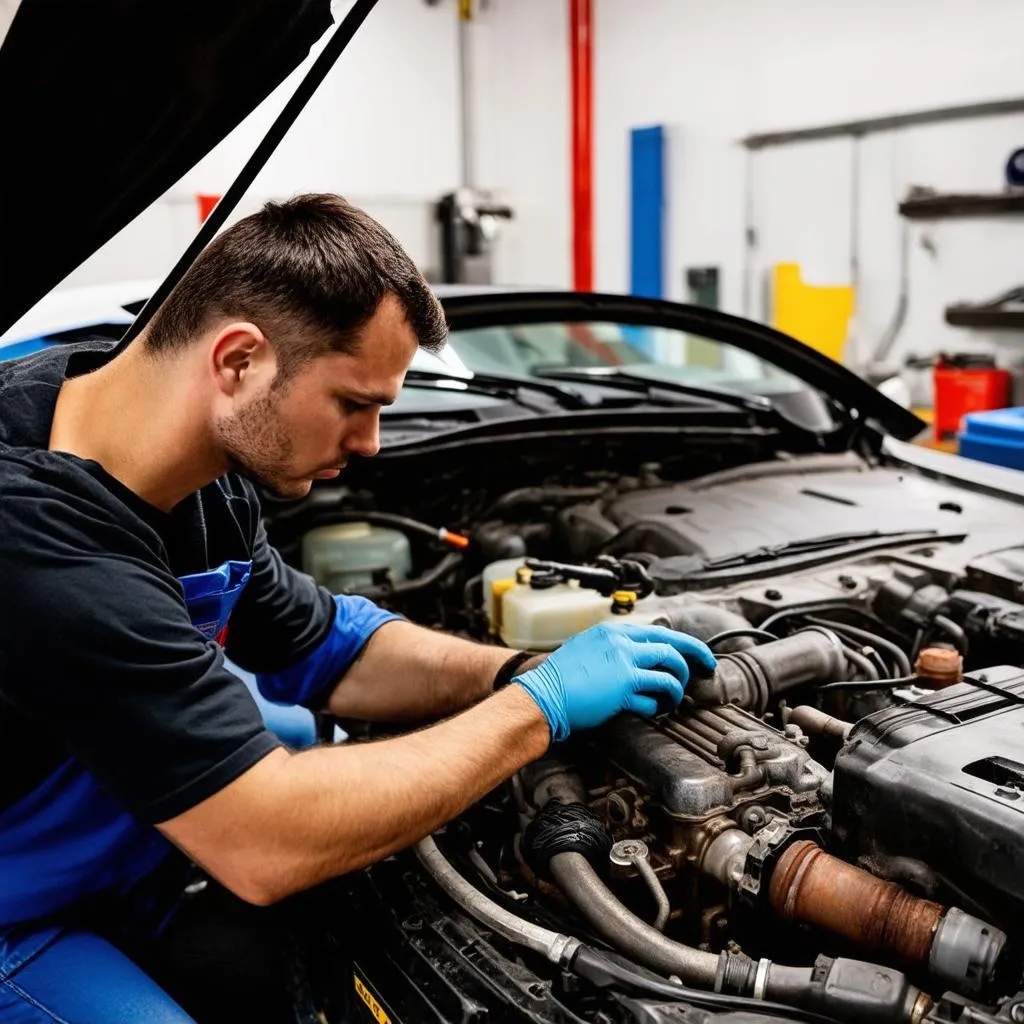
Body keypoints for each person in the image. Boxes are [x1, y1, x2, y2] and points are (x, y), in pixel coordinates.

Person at [0, 193, 716, 1022]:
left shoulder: (170, 438)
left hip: (122, 850)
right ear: (238, 361)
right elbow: (265, 839)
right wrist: (538, 711)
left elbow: (326, 646)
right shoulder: (33, 528)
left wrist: (521, 668)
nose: (372, 443)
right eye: (355, 403)